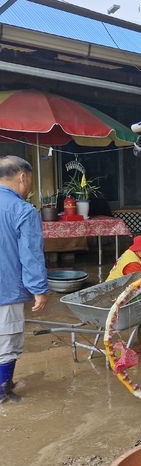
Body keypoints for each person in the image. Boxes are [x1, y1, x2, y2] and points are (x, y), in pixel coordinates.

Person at [0, 155, 48, 403]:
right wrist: (39, 289)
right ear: (22, 177)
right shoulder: (23, 210)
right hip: (6, 287)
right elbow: (30, 254)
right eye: (30, 180)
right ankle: (2, 391)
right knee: (7, 338)